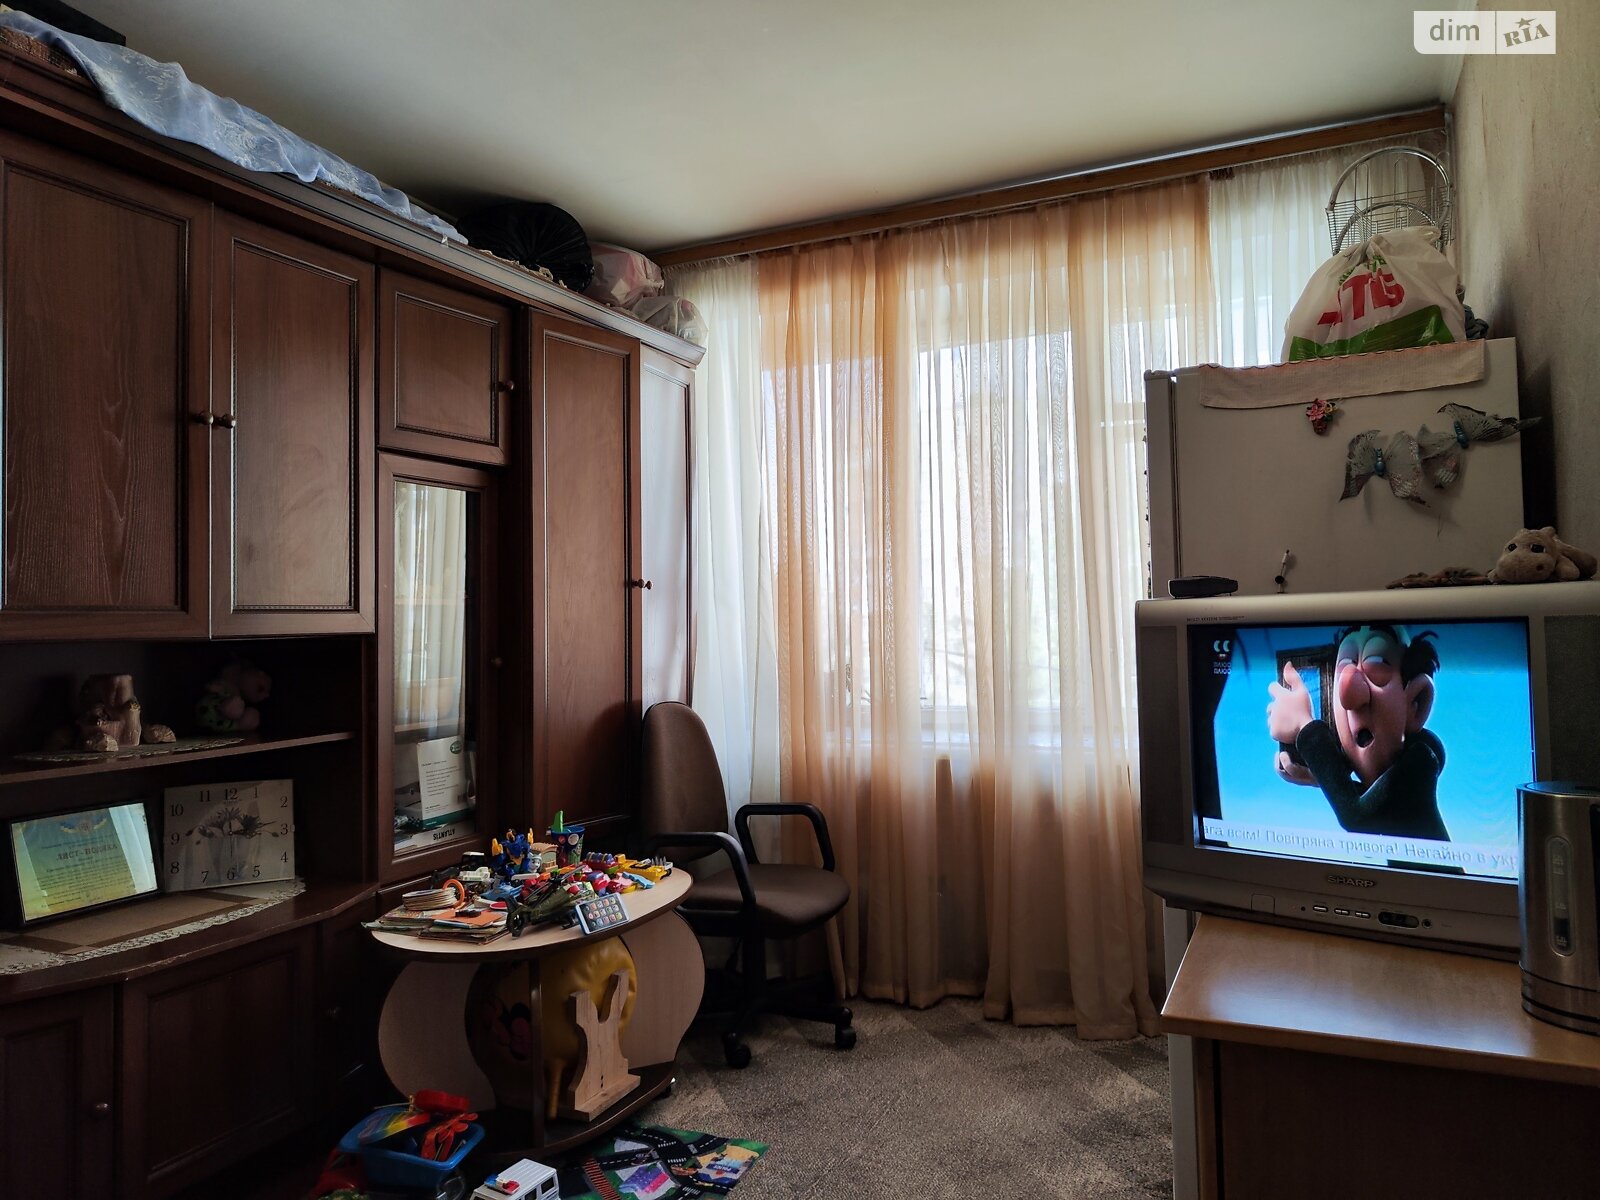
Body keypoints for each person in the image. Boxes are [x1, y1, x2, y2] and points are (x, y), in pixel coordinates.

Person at [1266, 624, 1452, 844]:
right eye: (1345, 665)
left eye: (1377, 663)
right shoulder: (1413, 765)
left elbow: (1358, 816)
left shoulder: (1421, 762)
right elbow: (1377, 800)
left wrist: (1305, 727)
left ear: (1416, 702)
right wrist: (1319, 777)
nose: (1350, 694)